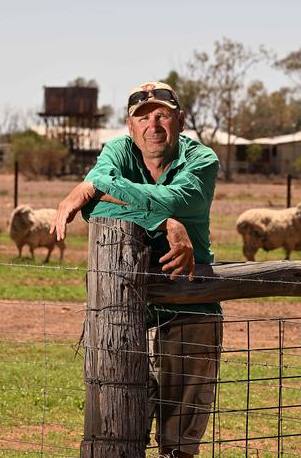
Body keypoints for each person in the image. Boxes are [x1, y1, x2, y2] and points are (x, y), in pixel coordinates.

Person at [51, 81, 222, 457]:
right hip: (125, 299)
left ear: (179, 119)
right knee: (119, 418)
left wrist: (96, 186)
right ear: (130, 126)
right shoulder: (118, 149)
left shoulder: (202, 160)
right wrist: (166, 223)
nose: (153, 125)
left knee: (180, 439)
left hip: (190, 298)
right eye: (142, 117)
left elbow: (176, 198)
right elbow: (96, 210)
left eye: (161, 115)